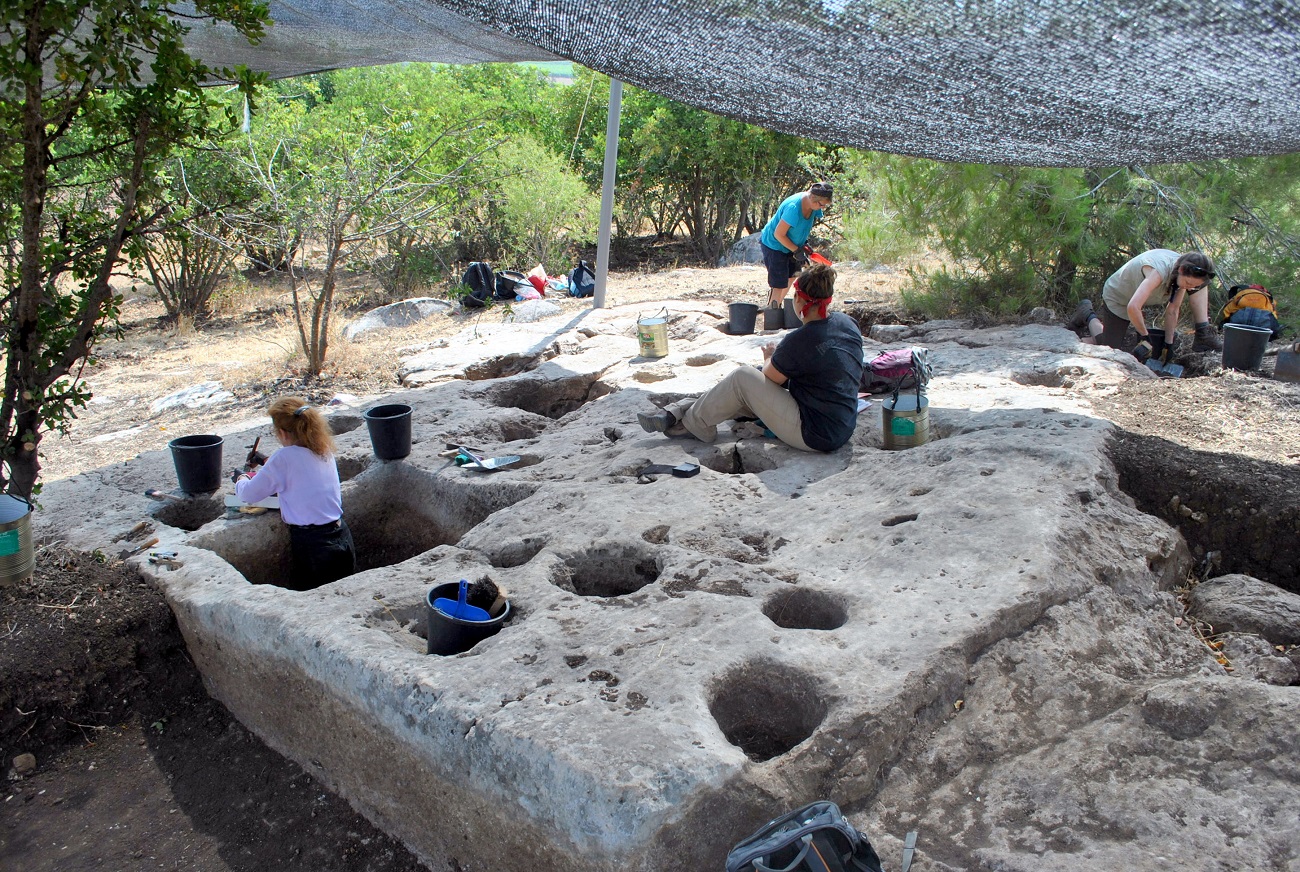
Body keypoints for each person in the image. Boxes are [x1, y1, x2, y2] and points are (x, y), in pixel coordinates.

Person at [638, 263, 864, 452]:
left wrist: (769, 357)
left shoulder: (800, 340)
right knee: (740, 388)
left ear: (800, 301)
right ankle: (677, 412)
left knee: (742, 378)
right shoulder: (846, 324)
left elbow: (769, 378)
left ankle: (691, 424)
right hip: (840, 424)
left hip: (814, 433)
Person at [234, 397, 356, 591]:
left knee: (316, 602)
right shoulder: (323, 448)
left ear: (282, 433)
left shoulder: (283, 458)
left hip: (314, 546)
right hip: (341, 536)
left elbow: (249, 494)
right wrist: (265, 461)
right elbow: (300, 471)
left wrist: (241, 479)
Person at [1069, 249, 1222, 359]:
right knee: (1109, 348)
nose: (1189, 288)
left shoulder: (1182, 274)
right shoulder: (1159, 271)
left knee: (1112, 346)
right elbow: (1133, 306)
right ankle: (1087, 314)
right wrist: (1144, 336)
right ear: (1181, 270)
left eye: (1193, 286)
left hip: (1136, 297)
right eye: (1188, 283)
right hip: (1118, 297)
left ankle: (1090, 317)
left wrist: (1168, 344)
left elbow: (1173, 310)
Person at [760, 182, 833, 309]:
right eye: (822, 205)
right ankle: (772, 314)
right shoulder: (793, 208)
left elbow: (802, 227)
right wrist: (797, 251)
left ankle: (776, 305)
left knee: (792, 276)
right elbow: (779, 234)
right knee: (778, 283)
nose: (822, 208)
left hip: (792, 245)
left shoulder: (814, 207)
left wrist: (803, 244)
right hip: (775, 245)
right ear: (812, 198)